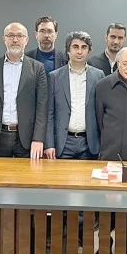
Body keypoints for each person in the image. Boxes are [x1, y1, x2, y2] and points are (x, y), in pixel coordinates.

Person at [0, 22, 48, 159]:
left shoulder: (37, 69)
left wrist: (38, 139)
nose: (15, 40)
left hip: (26, 139)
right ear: (4, 39)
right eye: (10, 36)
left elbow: (42, 107)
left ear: (26, 40)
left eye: (20, 36)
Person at [45, 31, 104, 159]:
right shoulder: (54, 77)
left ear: (89, 51)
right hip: (63, 142)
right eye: (75, 47)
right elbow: (49, 113)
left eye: (84, 47)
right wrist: (49, 144)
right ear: (68, 50)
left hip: (89, 143)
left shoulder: (98, 76)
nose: (79, 51)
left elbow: (102, 112)